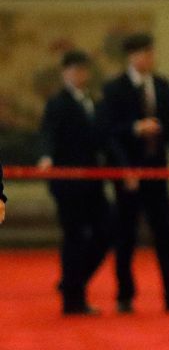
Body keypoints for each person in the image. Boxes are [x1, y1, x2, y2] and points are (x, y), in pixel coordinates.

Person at [99, 33, 169, 314]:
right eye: (143, 53)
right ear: (131, 56)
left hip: (157, 170)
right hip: (128, 172)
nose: (149, 58)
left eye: (151, 53)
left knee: (165, 234)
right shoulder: (114, 88)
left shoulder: (163, 86)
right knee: (126, 235)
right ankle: (125, 295)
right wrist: (134, 131)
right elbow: (108, 132)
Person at [38, 49, 110, 316]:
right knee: (75, 236)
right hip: (67, 183)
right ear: (64, 73)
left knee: (106, 231)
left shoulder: (93, 101)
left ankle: (71, 282)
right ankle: (73, 300)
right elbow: (47, 133)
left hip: (93, 180)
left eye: (82, 70)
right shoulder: (58, 103)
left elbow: (104, 138)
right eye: (73, 70)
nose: (79, 75)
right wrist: (46, 157)